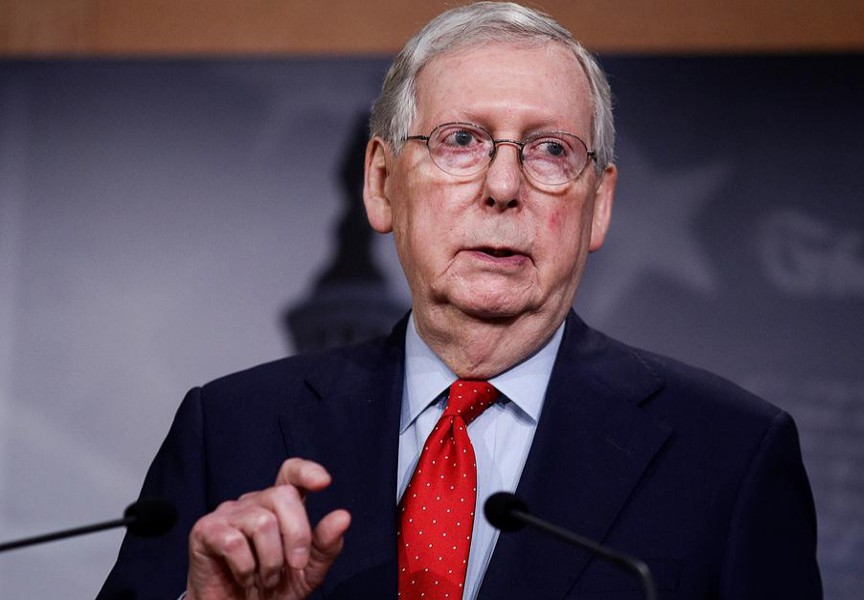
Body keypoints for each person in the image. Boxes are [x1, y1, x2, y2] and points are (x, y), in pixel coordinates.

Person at [98, 2, 822, 599]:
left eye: (550, 151)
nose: (503, 187)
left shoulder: (730, 456)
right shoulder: (228, 432)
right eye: (461, 140)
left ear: (599, 207)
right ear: (382, 184)